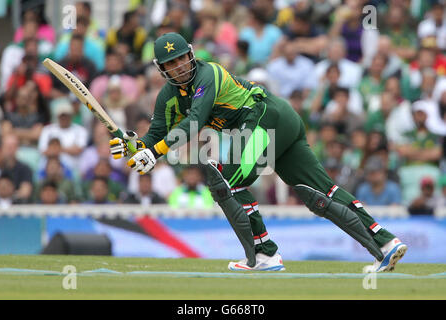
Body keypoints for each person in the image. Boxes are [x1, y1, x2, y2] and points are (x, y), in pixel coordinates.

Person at [109, 32, 407, 272]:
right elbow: (155, 136)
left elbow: (196, 120)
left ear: (191, 53)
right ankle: (384, 243)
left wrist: (156, 151)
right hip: (277, 122)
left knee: (225, 178)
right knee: (319, 194)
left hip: (265, 117)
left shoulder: (208, 73)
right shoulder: (167, 98)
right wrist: (133, 144)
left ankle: (264, 254)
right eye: (171, 63)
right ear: (162, 69)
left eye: (182, 58)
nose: (181, 66)